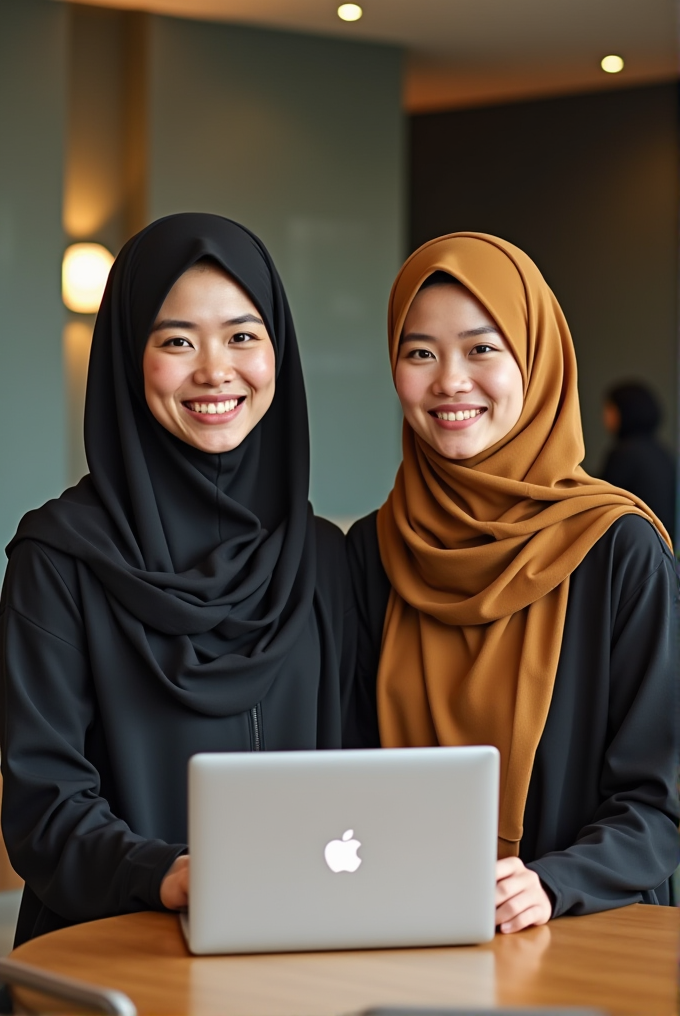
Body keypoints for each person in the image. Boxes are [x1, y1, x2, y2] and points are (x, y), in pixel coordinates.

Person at [0, 213, 354, 945]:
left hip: (300, 948)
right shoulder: (58, 559)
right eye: (176, 341)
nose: (215, 370)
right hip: (110, 951)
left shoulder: (322, 559)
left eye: (242, 335)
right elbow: (43, 808)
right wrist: (170, 874)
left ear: (278, 353)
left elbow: (361, 776)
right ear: (131, 356)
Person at [346, 233, 679, 934]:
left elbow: (659, 803)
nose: (449, 382)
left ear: (538, 359)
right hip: (401, 930)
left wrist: (554, 884)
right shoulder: (370, 555)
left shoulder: (619, 549)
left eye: (482, 348)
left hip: (584, 934)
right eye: (419, 353)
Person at [601, 381, 676, 543]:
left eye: (609, 409)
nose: (605, 417)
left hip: (635, 545)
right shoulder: (663, 453)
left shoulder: (625, 454)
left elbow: (602, 506)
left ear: (625, 412)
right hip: (662, 547)